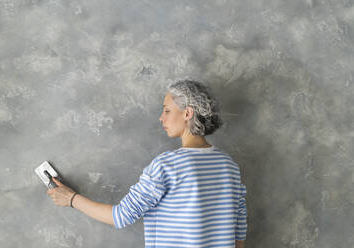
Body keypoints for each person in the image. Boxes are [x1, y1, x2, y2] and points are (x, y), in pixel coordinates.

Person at [47, 80, 247, 248]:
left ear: (187, 113)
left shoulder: (167, 166)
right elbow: (239, 235)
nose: (161, 118)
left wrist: (71, 199)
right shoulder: (230, 167)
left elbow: (121, 216)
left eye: (167, 110)